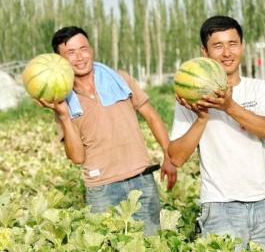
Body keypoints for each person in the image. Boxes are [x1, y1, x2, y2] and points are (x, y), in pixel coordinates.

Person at [168, 15, 265, 252]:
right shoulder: (191, 99)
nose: (227, 52)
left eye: (232, 44)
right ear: (204, 51)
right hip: (219, 207)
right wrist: (201, 118)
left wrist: (229, 106)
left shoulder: (259, 89)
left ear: (242, 47)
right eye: (218, 46)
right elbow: (176, 157)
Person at [41, 26, 177, 235]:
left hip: (142, 179)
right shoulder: (62, 100)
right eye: (71, 53)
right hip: (101, 189)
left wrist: (169, 154)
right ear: (59, 60)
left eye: (83, 49)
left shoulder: (119, 79)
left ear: (91, 49)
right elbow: (77, 157)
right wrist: (63, 116)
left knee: (153, 251)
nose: (79, 57)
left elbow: (151, 116)